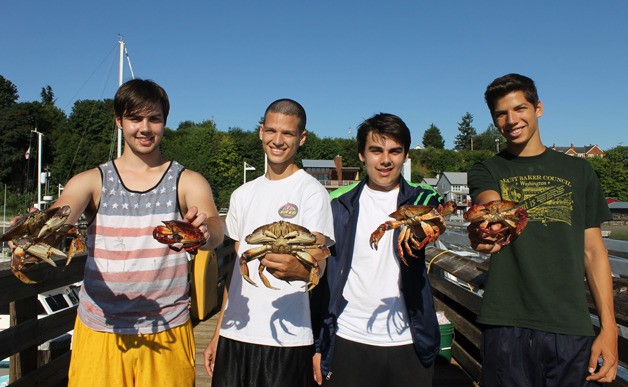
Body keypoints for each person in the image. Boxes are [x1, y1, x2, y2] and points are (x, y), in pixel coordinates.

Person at [48, 79, 224, 386]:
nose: (145, 128)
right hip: (101, 330)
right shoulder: (91, 181)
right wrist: (42, 226)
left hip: (167, 331)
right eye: (135, 118)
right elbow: (62, 212)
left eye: (154, 119)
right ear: (119, 121)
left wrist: (204, 231)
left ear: (164, 122)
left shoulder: (187, 181)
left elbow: (216, 229)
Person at [467, 73, 618, 385]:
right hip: (506, 322)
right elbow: (487, 203)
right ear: (494, 120)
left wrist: (610, 328)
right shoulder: (487, 169)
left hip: (570, 326)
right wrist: (486, 231)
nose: (511, 120)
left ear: (538, 108)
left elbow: (593, 251)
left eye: (520, 108)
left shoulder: (579, 170)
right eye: (501, 114)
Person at [203, 98, 335, 387]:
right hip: (235, 334)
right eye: (271, 131)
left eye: (287, 133)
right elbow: (236, 271)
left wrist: (302, 271)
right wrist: (217, 332)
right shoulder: (242, 194)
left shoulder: (312, 193)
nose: (277, 140)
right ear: (261, 131)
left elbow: (319, 258)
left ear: (302, 138)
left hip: (287, 338)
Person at [311, 113, 444, 386]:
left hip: (410, 339)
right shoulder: (337, 204)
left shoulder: (424, 198)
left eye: (395, 151)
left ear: (405, 156)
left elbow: (440, 214)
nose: (385, 160)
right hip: (348, 336)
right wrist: (317, 344)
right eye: (376, 151)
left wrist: (429, 229)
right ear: (361, 154)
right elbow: (320, 275)